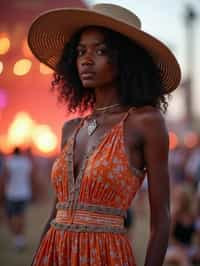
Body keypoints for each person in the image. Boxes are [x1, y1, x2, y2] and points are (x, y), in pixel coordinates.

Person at [28, 3, 181, 266]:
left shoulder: (145, 122)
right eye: (80, 51)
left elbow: (162, 219)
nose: (86, 59)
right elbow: (57, 210)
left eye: (100, 51)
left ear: (124, 60)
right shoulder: (70, 129)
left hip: (105, 255)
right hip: (54, 252)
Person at [4, 147, 33, 250]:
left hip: (11, 193)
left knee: (11, 216)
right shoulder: (26, 162)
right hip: (24, 193)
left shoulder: (9, 162)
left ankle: (17, 238)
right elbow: (30, 175)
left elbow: (5, 177)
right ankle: (21, 239)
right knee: (21, 216)